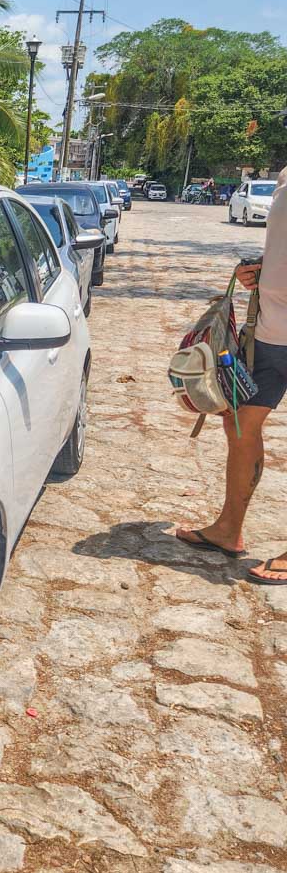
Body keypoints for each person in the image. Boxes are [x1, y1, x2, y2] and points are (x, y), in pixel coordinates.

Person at [176, 165, 287, 583]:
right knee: (239, 422)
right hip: (269, 332)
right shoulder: (284, 178)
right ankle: (228, 529)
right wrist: (260, 269)